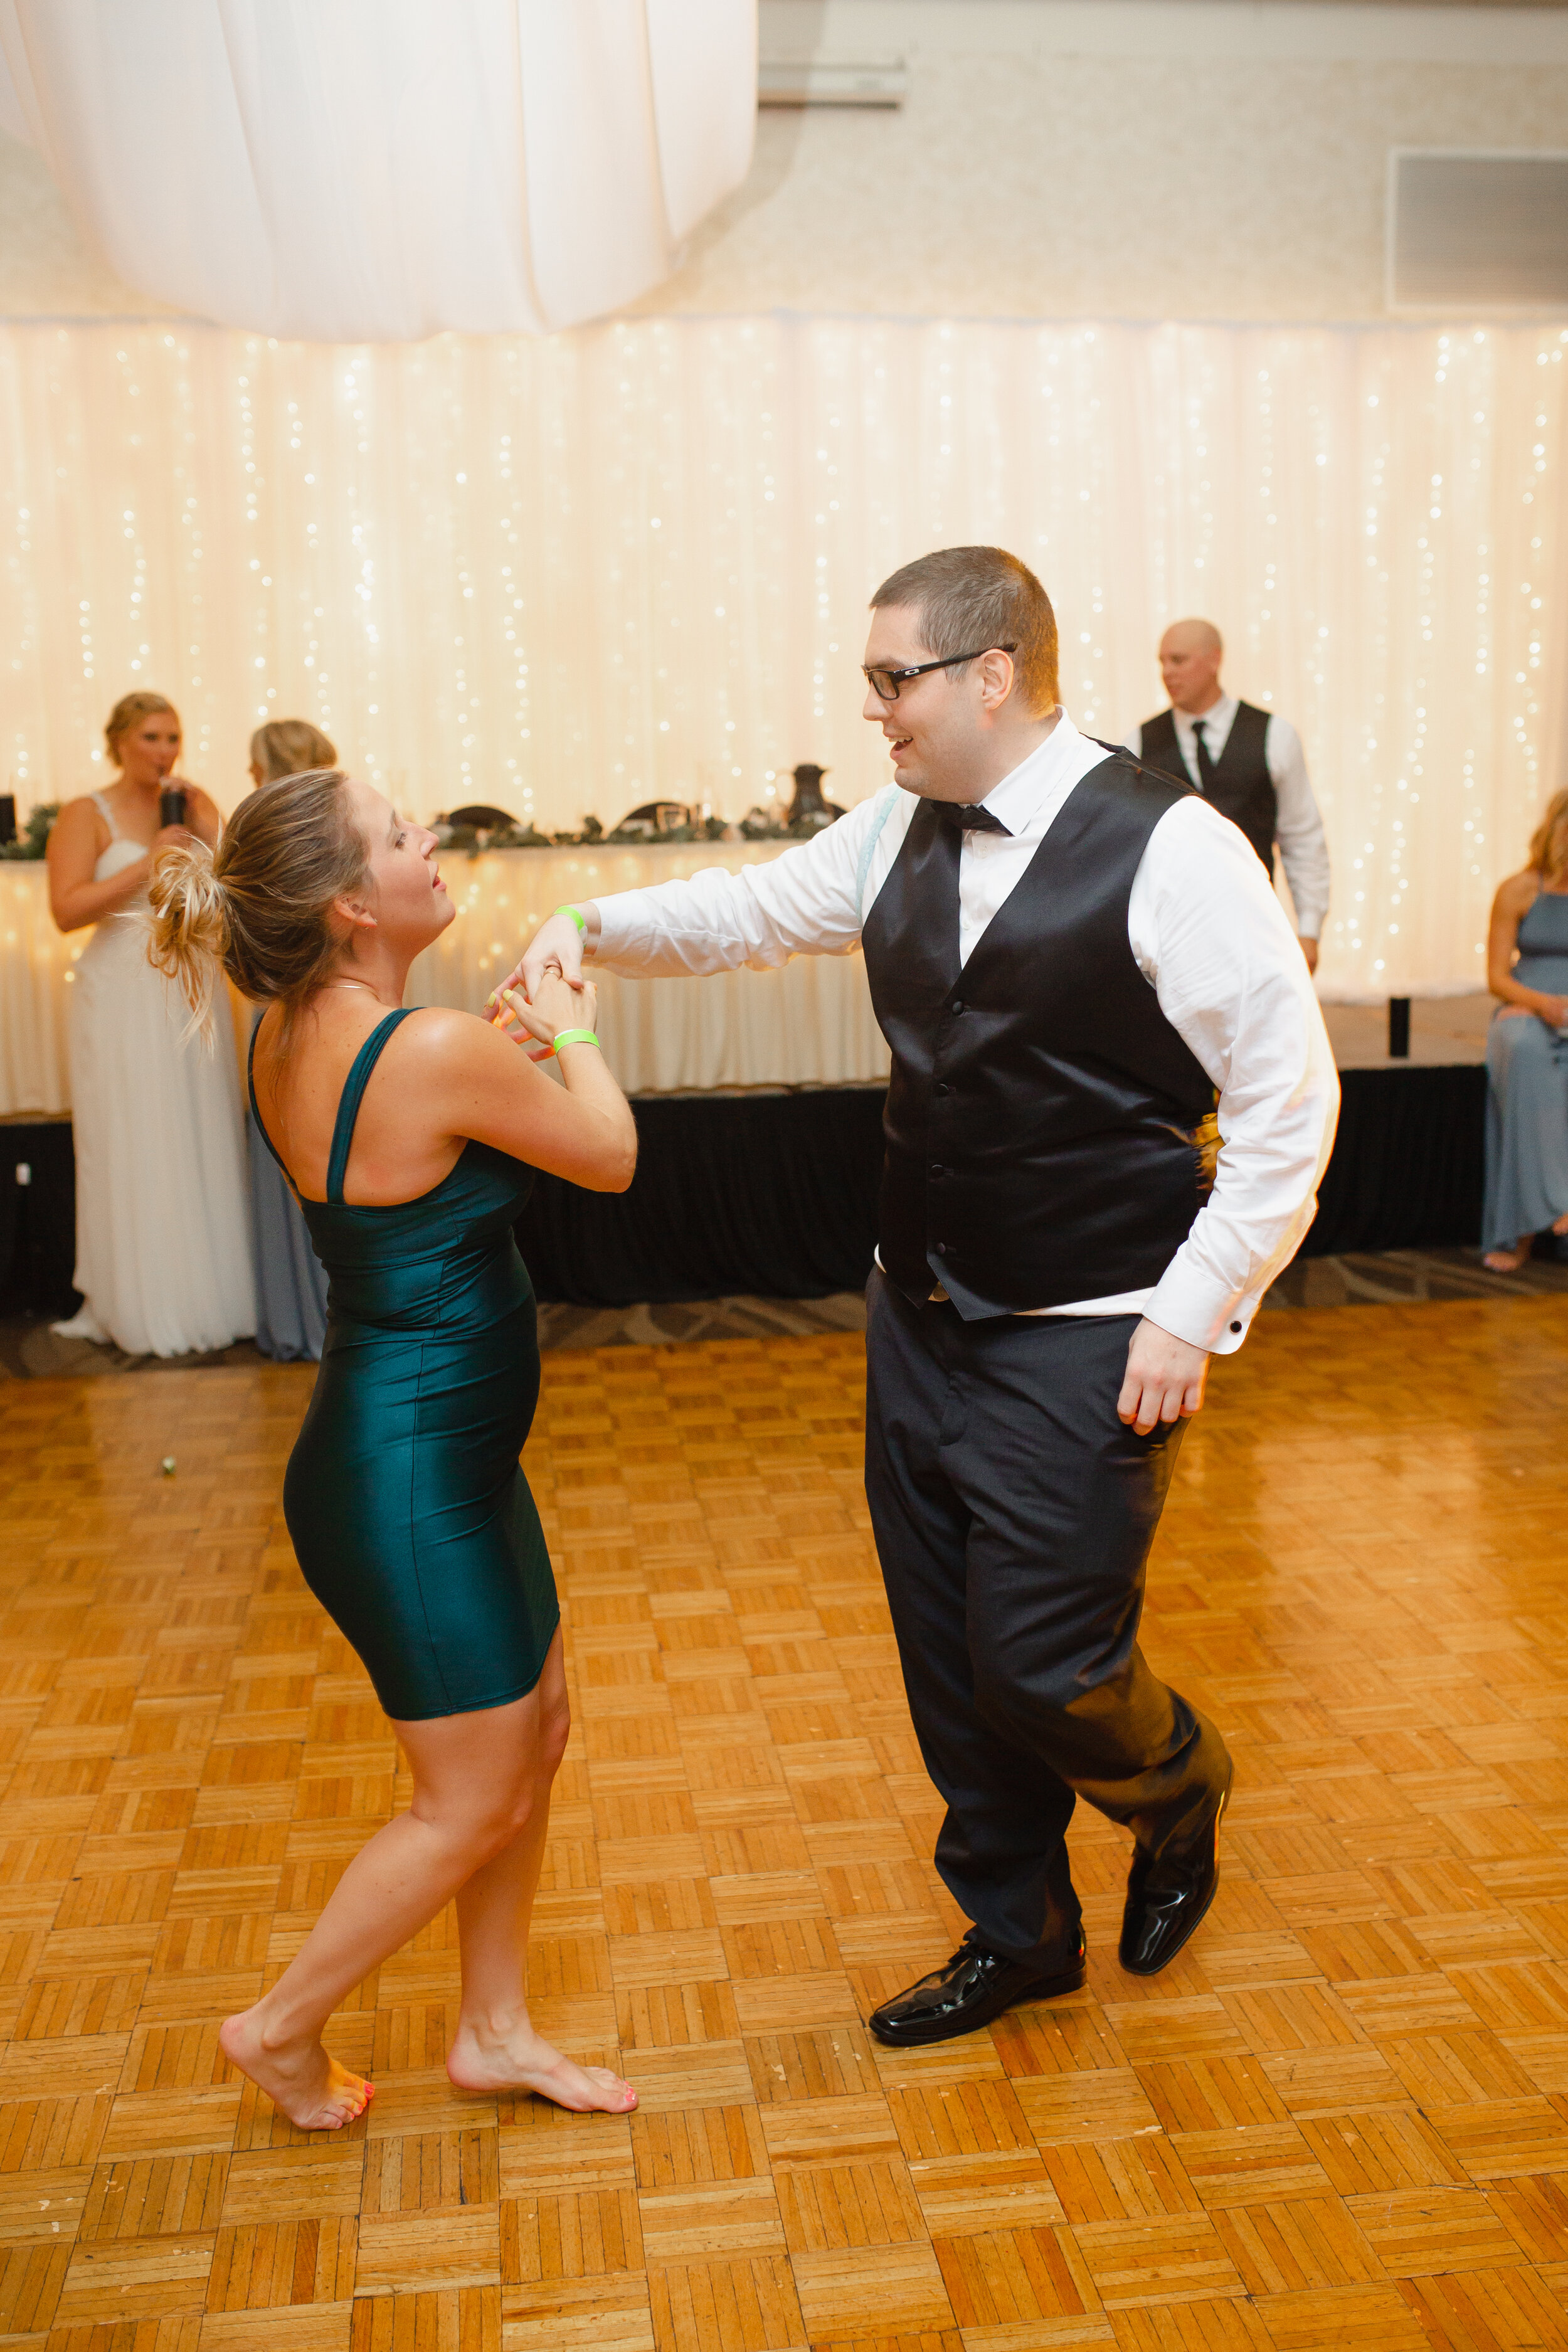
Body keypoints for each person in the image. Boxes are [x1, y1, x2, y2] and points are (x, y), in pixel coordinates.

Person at [508, 546, 1338, 2043]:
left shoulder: (1174, 848)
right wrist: (592, 928)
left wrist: (1189, 1306)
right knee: (949, 1662)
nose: (873, 709)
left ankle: (1177, 1782)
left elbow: (1291, 1101)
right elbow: (749, 911)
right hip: (918, 1316)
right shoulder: (897, 820)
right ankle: (1017, 1933)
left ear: (990, 675)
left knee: (1043, 1663)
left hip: (1092, 1332)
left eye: (893, 679)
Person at [148, 766, 639, 2129]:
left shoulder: (294, 1028)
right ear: (353, 905)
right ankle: (278, 2029)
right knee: (465, 1802)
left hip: (437, 1464)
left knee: (535, 1735)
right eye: (402, 833)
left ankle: (494, 2029)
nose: (432, 842)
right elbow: (608, 1155)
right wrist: (569, 1031)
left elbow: (417, 1128)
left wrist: (499, 1047)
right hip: (411, 1483)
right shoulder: (420, 1047)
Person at [45, 691, 255, 1356]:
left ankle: (215, 1292)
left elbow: (237, 883)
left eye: (173, 737)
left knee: (200, 1135)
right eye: (151, 737)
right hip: (119, 994)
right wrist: (150, 860)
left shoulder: (192, 804)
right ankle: (136, 1300)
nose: (165, 751)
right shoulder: (86, 814)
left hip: (189, 986)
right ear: (120, 742)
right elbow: (66, 910)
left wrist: (208, 828)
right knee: (131, 1138)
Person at [1128, 620, 1330, 974]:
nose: (1167, 672)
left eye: (1178, 660)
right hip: (1172, 941)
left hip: (1256, 930)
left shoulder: (1275, 735)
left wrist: (1309, 930)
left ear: (1214, 660)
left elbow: (1302, 837)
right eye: (1162, 662)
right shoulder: (1139, 744)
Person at [246, 719, 339, 1361]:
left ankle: (303, 1314)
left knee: (295, 1153)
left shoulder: (262, 829)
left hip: (287, 1005)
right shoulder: (343, 826)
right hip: (323, 1003)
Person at [1481, 787, 1568, 1272]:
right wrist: (1540, 1005)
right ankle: (1531, 1227)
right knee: (1525, 1052)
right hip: (1528, 1009)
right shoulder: (1518, 890)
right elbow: (1497, 977)